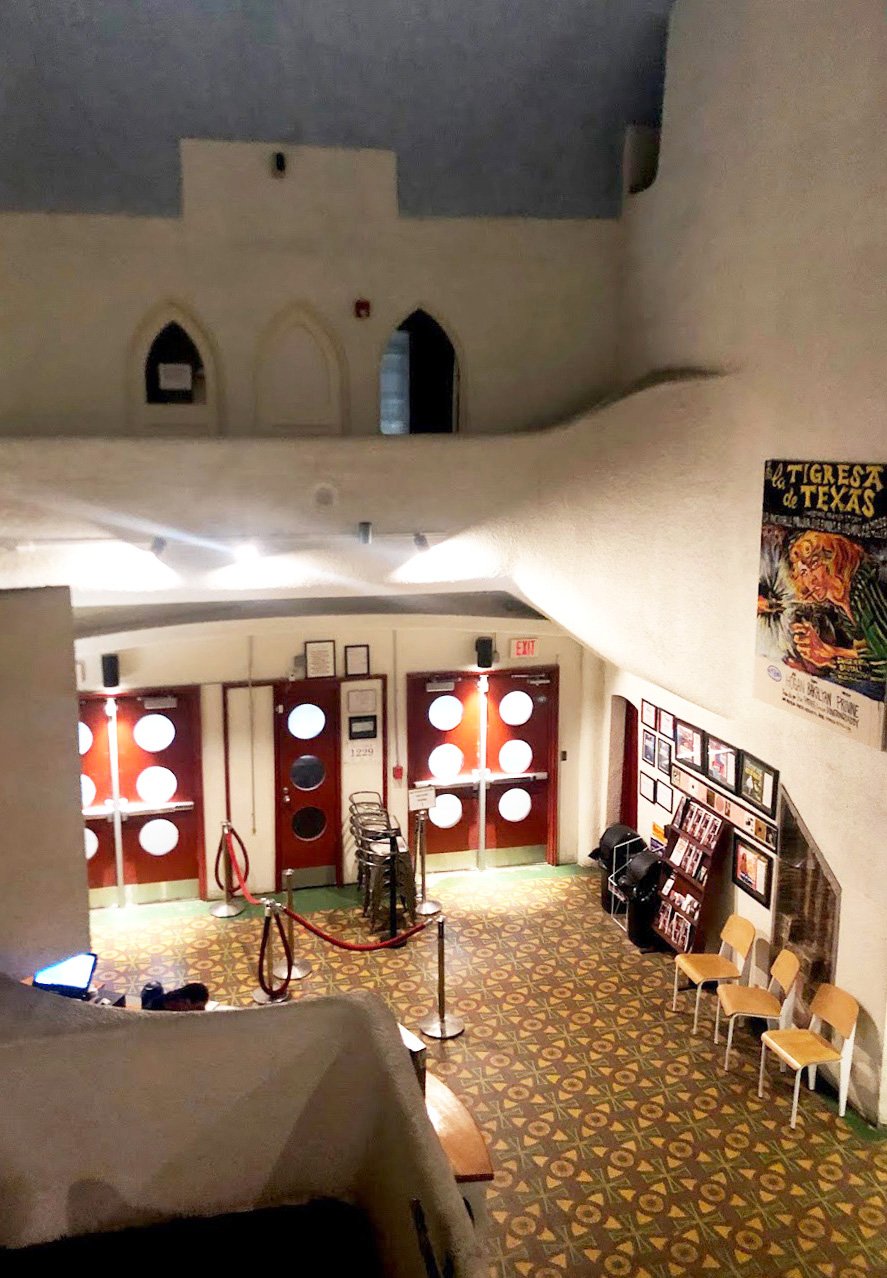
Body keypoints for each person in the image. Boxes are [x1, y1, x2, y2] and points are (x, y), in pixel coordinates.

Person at [787, 530, 887, 691]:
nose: (810, 580)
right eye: (804, 572)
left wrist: (832, 661)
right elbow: (867, 652)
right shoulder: (841, 606)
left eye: (814, 565)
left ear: (833, 560)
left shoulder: (862, 588)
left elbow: (883, 666)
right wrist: (830, 652)